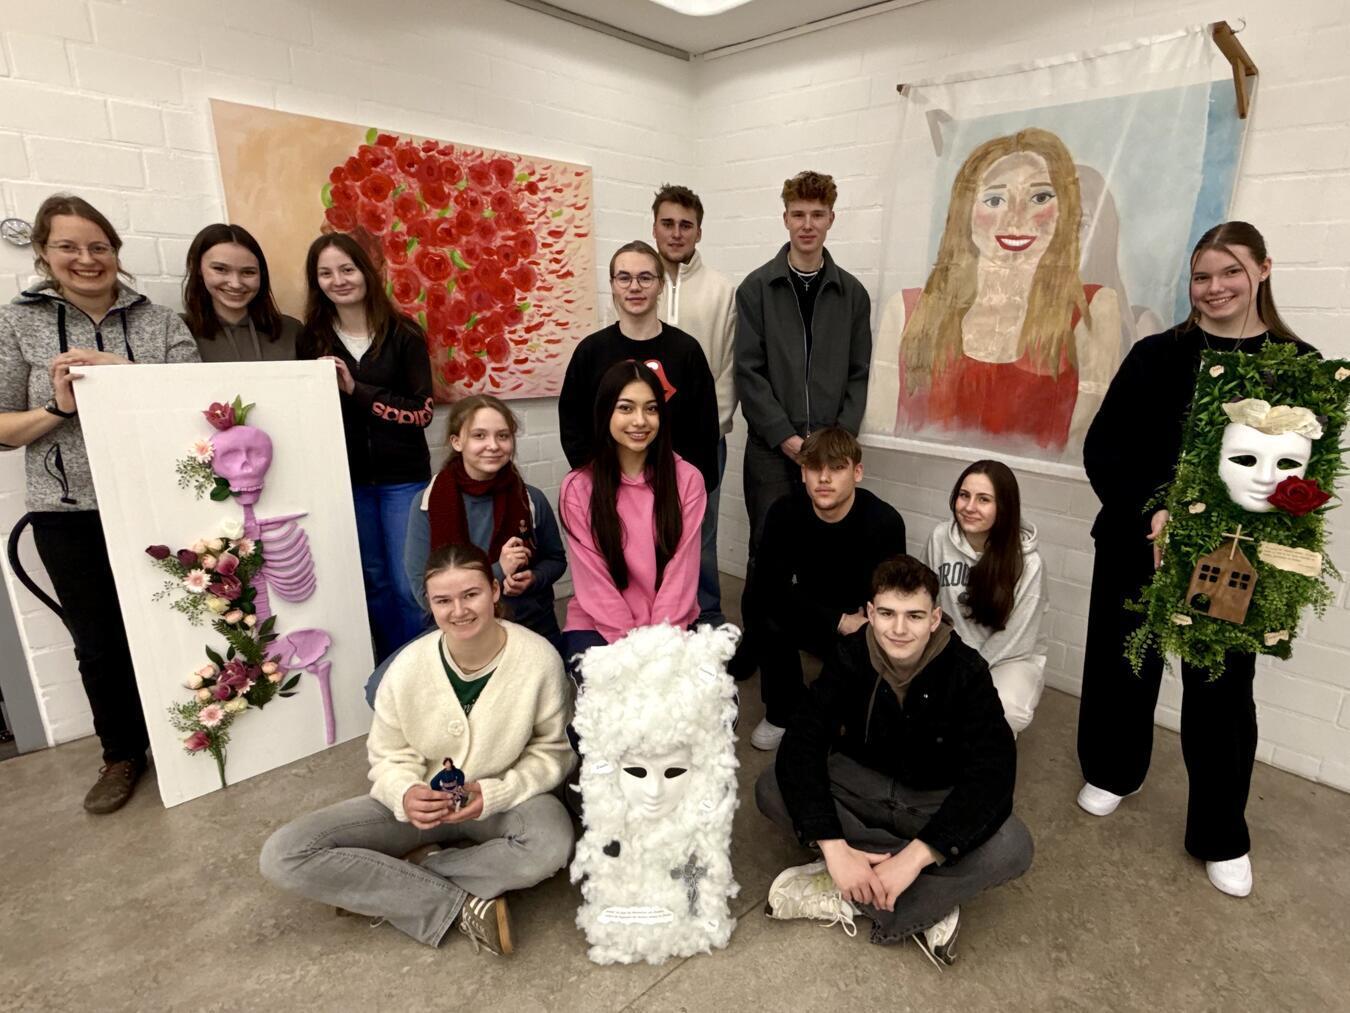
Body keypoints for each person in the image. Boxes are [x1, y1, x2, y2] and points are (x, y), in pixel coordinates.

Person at [1076, 221, 1318, 899]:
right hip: (1136, 543)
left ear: (1263, 270)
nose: (1214, 289)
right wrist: (1154, 509)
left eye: (1230, 273)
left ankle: (1220, 830)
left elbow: (1301, 476)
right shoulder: (1155, 356)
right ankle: (1112, 769)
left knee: (1220, 694)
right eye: (1202, 276)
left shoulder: (1297, 366)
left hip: (1231, 560)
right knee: (1123, 663)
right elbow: (1104, 450)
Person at [260, 543, 575, 955]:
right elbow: (388, 753)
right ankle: (457, 904)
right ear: (429, 603)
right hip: (419, 807)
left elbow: (554, 751)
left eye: (471, 595)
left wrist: (499, 791)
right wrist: (404, 792)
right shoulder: (407, 668)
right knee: (284, 854)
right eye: (443, 600)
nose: (458, 610)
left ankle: (401, 879)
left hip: (502, 803)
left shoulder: (538, 660)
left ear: (495, 591)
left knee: (551, 845)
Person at [0, 193, 200, 813]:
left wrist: (116, 370)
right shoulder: (16, 322)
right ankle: (121, 754)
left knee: (181, 624)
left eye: (99, 247)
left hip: (157, 501)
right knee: (98, 640)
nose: (86, 259)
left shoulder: (160, 321)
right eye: (68, 247)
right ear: (43, 253)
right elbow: (3, 427)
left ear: (116, 252)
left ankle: (190, 736)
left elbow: (194, 399)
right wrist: (60, 408)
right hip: (67, 510)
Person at [756, 555, 1033, 966]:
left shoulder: (966, 671)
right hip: (860, 786)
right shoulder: (851, 654)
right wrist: (833, 846)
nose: (899, 629)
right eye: (886, 613)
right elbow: (803, 740)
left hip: (930, 801)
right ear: (869, 613)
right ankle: (911, 895)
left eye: (914, 616)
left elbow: (993, 774)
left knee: (1013, 845)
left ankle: (852, 889)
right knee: (772, 786)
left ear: (935, 618)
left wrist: (915, 857)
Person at [862, 129, 1121, 455]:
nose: (1015, 218)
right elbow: (882, 435)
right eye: (994, 200)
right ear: (964, 210)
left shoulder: (1092, 309)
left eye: (1039, 198)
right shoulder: (907, 311)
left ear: (1066, 208)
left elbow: (1083, 451)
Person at [298, 232, 434, 664]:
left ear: (366, 273)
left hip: (402, 479)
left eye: (347, 268)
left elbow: (421, 412)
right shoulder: (312, 339)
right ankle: (393, 666)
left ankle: (421, 667)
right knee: (371, 580)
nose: (338, 280)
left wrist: (357, 390)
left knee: (405, 581)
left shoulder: (404, 335)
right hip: (346, 480)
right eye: (325, 273)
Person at [734, 169, 872, 558]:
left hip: (830, 449)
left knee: (825, 549)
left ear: (831, 219)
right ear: (785, 219)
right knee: (768, 544)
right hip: (771, 448)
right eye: (798, 214)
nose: (807, 224)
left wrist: (838, 441)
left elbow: (859, 373)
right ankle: (761, 622)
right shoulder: (756, 289)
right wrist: (785, 436)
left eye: (817, 214)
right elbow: (749, 370)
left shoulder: (853, 295)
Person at [745, 427, 906, 751]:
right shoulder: (785, 513)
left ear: (856, 472)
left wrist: (861, 623)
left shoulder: (884, 522)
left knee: (848, 730)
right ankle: (781, 711)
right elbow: (767, 588)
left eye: (836, 468)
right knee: (761, 609)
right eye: (814, 468)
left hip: (862, 620)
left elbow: (893, 596)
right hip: (814, 611)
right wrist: (836, 620)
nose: (824, 478)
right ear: (803, 473)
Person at [558, 359, 705, 672]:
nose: (640, 420)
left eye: (651, 409)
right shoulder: (578, 487)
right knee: (612, 714)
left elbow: (681, 574)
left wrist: (660, 643)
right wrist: (632, 650)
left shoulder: (688, 479)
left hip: (670, 624)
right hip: (598, 626)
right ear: (605, 412)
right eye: (626, 408)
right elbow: (594, 584)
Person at [558, 240, 720, 500]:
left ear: (660, 285)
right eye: (624, 278)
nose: (634, 287)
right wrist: (595, 478)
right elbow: (573, 426)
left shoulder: (686, 350)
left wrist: (689, 485)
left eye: (645, 277)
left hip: (673, 489)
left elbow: (704, 428)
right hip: (608, 488)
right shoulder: (591, 351)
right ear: (612, 285)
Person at [651, 184, 738, 627]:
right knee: (649, 535)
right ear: (655, 227)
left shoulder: (721, 291)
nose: (677, 233)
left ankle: (707, 618)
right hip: (644, 441)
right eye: (668, 223)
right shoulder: (638, 285)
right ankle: (658, 618)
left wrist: (711, 429)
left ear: (699, 231)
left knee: (701, 538)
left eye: (686, 225)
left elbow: (728, 368)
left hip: (703, 440)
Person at [924, 460, 1047, 734]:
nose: (969, 507)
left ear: (1003, 507)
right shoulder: (940, 538)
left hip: (1009, 658)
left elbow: (1017, 636)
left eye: (984, 499)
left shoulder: (1028, 562)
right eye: (964, 495)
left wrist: (968, 672)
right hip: (951, 648)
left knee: (1004, 707)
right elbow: (929, 602)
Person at [181, 223, 300, 361]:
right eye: (220, 269)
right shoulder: (178, 330)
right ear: (197, 268)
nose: (236, 284)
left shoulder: (292, 331)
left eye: (248, 272)